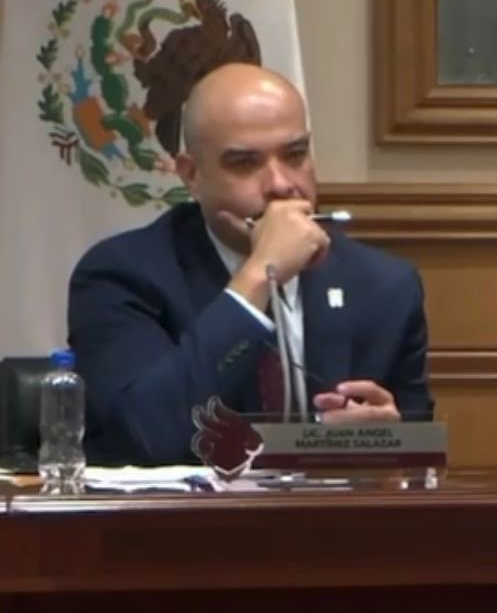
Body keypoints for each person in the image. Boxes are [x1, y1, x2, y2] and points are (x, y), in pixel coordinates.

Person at [68, 63, 434, 465]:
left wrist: (390, 442)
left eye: (295, 155)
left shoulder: (385, 286)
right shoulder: (122, 275)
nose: (281, 184)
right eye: (244, 163)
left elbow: (419, 461)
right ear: (192, 175)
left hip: (331, 506)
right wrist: (260, 273)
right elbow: (147, 437)